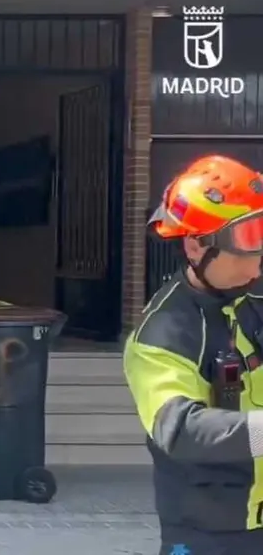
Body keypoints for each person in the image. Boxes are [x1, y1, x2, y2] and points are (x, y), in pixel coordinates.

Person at [126, 155, 263, 554]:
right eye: (246, 242)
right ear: (195, 244)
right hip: (209, 531)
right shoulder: (160, 335)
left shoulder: (253, 296)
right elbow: (180, 430)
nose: (257, 260)